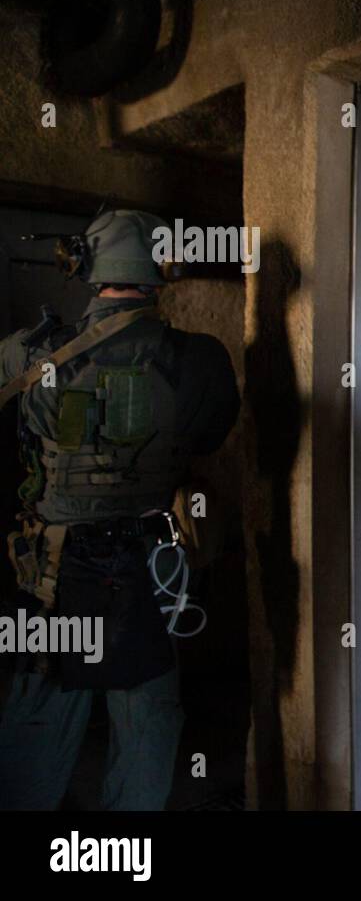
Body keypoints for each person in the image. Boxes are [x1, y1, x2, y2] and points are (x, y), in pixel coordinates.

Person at [0, 209, 240, 810]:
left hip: (56, 574)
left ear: (87, 264)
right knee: (148, 725)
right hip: (148, 571)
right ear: (161, 269)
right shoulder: (202, 360)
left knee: (39, 719)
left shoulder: (28, 354)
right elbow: (209, 440)